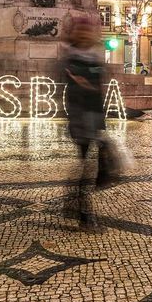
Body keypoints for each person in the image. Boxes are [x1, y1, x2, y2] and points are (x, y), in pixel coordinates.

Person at [64, 18, 105, 231]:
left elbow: (98, 90)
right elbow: (75, 90)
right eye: (84, 30)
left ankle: (75, 203)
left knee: (91, 167)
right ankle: (84, 215)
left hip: (93, 117)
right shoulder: (71, 59)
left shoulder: (94, 57)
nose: (88, 33)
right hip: (81, 118)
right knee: (88, 168)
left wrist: (102, 123)